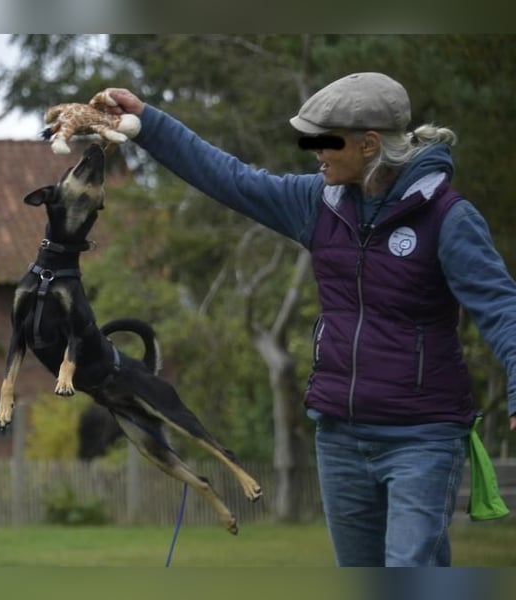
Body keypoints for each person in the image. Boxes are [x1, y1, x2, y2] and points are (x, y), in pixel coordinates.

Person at [99, 72, 516, 567]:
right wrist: (146, 123)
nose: (314, 151)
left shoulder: (448, 218)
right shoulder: (316, 204)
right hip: (339, 435)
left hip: (421, 437)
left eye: (325, 140)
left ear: (369, 144)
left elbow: (502, 308)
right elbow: (227, 176)